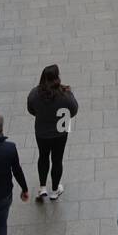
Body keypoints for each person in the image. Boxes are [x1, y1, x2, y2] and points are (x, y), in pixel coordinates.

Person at [27, 65, 79, 201]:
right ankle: (55, 190)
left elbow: (30, 109)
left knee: (43, 157)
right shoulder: (65, 94)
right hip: (60, 132)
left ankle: (42, 187)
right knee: (57, 159)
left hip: (42, 132)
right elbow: (74, 110)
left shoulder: (35, 93)